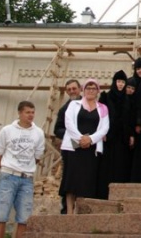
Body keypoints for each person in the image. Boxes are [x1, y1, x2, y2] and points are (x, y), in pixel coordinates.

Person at [0, 100, 45, 238]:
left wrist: (26, 167)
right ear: (20, 113)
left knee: (24, 217)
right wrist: (7, 167)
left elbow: (38, 156)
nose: (31, 115)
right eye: (27, 112)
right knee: (1, 214)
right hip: (8, 176)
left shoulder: (38, 133)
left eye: (33, 112)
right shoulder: (7, 130)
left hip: (26, 178)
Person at [61, 79, 110, 213]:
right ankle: (69, 212)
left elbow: (104, 128)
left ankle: (80, 212)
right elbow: (68, 122)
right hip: (73, 147)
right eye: (88, 88)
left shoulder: (103, 108)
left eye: (93, 88)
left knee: (86, 182)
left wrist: (90, 139)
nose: (90, 91)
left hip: (91, 148)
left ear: (97, 91)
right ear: (83, 90)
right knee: (71, 181)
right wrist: (80, 138)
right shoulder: (73, 104)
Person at [97, 71, 131, 197]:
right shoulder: (106, 97)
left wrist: (131, 134)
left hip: (122, 138)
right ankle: (104, 194)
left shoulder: (127, 99)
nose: (120, 84)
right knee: (107, 165)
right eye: (118, 81)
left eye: (123, 82)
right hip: (108, 138)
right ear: (114, 82)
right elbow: (100, 116)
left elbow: (130, 118)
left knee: (120, 165)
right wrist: (102, 132)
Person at [53, 79, 81, 213]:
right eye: (69, 89)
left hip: (86, 147)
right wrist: (73, 134)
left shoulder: (88, 105)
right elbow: (57, 129)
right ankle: (67, 210)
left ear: (80, 89)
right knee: (69, 178)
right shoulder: (64, 109)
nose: (71, 91)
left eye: (74, 88)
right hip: (70, 148)